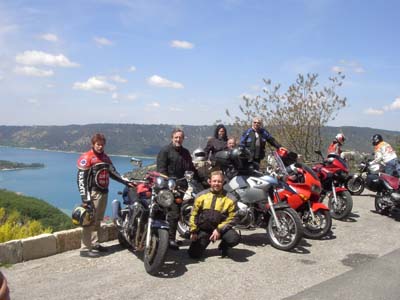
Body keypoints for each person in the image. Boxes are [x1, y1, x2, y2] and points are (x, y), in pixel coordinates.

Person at [77, 133, 134, 257]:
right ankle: (85, 249)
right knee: (89, 221)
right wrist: (86, 199)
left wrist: (126, 182)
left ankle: (95, 244)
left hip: (103, 192)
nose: (100, 147)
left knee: (97, 220)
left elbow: (113, 172)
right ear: (93, 144)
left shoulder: (105, 158)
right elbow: (81, 180)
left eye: (102, 145)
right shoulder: (87, 157)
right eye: (98, 144)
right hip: (93, 194)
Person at [156, 128, 198, 250]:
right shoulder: (165, 151)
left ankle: (170, 239)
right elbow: (161, 170)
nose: (178, 139)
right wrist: (168, 182)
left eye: (180, 137)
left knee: (175, 213)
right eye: (176, 137)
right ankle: (167, 239)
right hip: (166, 187)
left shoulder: (185, 152)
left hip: (180, 187)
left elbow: (191, 169)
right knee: (168, 212)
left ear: (183, 139)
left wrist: (203, 180)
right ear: (172, 138)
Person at [188, 170, 240, 259]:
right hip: (204, 229)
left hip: (221, 229)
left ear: (223, 182)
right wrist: (193, 231)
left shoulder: (231, 199)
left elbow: (233, 218)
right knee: (193, 255)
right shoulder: (201, 196)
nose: (217, 183)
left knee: (233, 238)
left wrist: (219, 229)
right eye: (214, 181)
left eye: (219, 181)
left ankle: (224, 246)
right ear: (209, 182)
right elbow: (193, 214)